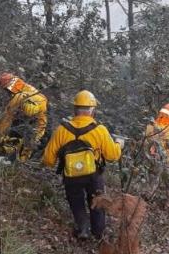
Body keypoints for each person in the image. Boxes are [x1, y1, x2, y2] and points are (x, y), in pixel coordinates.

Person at [42, 90, 123, 240]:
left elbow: (48, 160)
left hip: (71, 176)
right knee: (97, 201)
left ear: (75, 109)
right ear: (92, 110)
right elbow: (113, 156)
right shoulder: (100, 130)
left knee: (76, 201)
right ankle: (98, 234)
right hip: (94, 175)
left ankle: (83, 229)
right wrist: (119, 144)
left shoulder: (61, 130)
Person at [0, 72, 48, 163]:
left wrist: (37, 137)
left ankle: (22, 159)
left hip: (31, 121)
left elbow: (42, 123)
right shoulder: (19, 97)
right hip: (22, 111)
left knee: (32, 138)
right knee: (14, 132)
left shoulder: (42, 103)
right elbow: (7, 117)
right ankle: (7, 154)